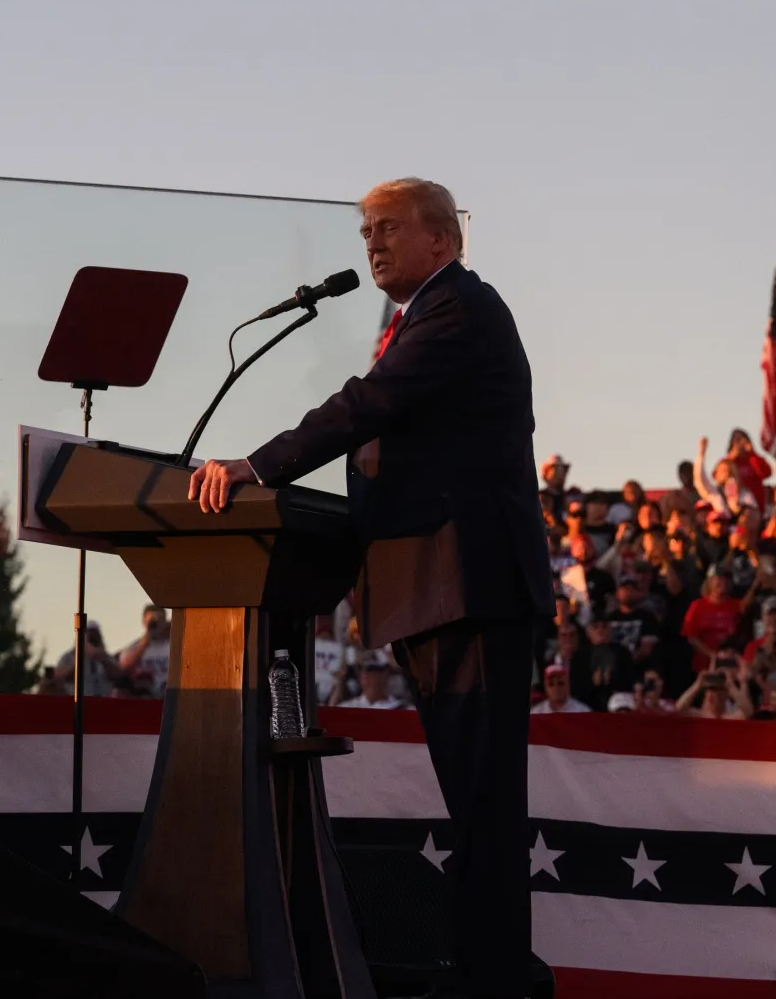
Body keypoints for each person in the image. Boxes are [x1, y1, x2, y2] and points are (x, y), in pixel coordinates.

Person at [189, 176, 553, 999]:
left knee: (485, 807)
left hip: (472, 588)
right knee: (474, 801)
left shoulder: (458, 310)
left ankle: (492, 979)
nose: (372, 244)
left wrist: (258, 465)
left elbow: (367, 406)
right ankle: (485, 971)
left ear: (443, 240)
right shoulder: (417, 315)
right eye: (363, 232)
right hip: (438, 591)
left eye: (387, 228)